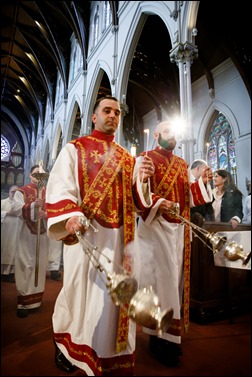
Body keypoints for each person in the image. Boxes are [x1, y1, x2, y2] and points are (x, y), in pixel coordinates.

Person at [45, 96, 155, 376]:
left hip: (120, 240)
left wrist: (142, 180)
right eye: (107, 111)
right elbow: (60, 185)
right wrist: (69, 214)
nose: (113, 116)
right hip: (87, 234)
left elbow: (140, 202)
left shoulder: (127, 157)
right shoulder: (75, 149)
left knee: (111, 301)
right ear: (94, 117)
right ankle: (67, 344)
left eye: (117, 113)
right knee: (79, 294)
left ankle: (106, 352)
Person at [136, 120, 213, 366]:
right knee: (162, 284)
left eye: (175, 131)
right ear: (156, 135)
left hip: (179, 231)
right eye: (167, 131)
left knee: (175, 283)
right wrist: (159, 202)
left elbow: (190, 196)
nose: (173, 135)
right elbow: (139, 193)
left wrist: (203, 182)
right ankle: (160, 339)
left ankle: (168, 337)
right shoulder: (144, 159)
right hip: (155, 229)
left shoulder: (181, 164)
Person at [11, 165, 50, 318]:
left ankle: (35, 300)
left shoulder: (49, 192)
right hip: (25, 234)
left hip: (43, 234)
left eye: (41, 174)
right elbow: (15, 209)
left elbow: (54, 210)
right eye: (35, 174)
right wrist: (33, 206)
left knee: (39, 265)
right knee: (25, 264)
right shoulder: (22, 191)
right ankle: (22, 302)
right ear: (30, 175)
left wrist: (45, 213)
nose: (38, 177)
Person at [1, 185, 20, 282]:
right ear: (9, 192)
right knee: (4, 250)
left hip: (16, 231)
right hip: (4, 230)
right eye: (13, 191)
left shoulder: (20, 204)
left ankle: (10, 274)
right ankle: (2, 273)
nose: (14, 194)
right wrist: (7, 213)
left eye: (17, 192)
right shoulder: (2, 202)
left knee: (13, 251)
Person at [189, 159, 214, 225]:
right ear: (198, 168)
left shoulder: (202, 182)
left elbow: (208, 206)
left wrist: (211, 223)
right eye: (205, 170)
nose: (207, 172)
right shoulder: (185, 178)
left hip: (203, 223)